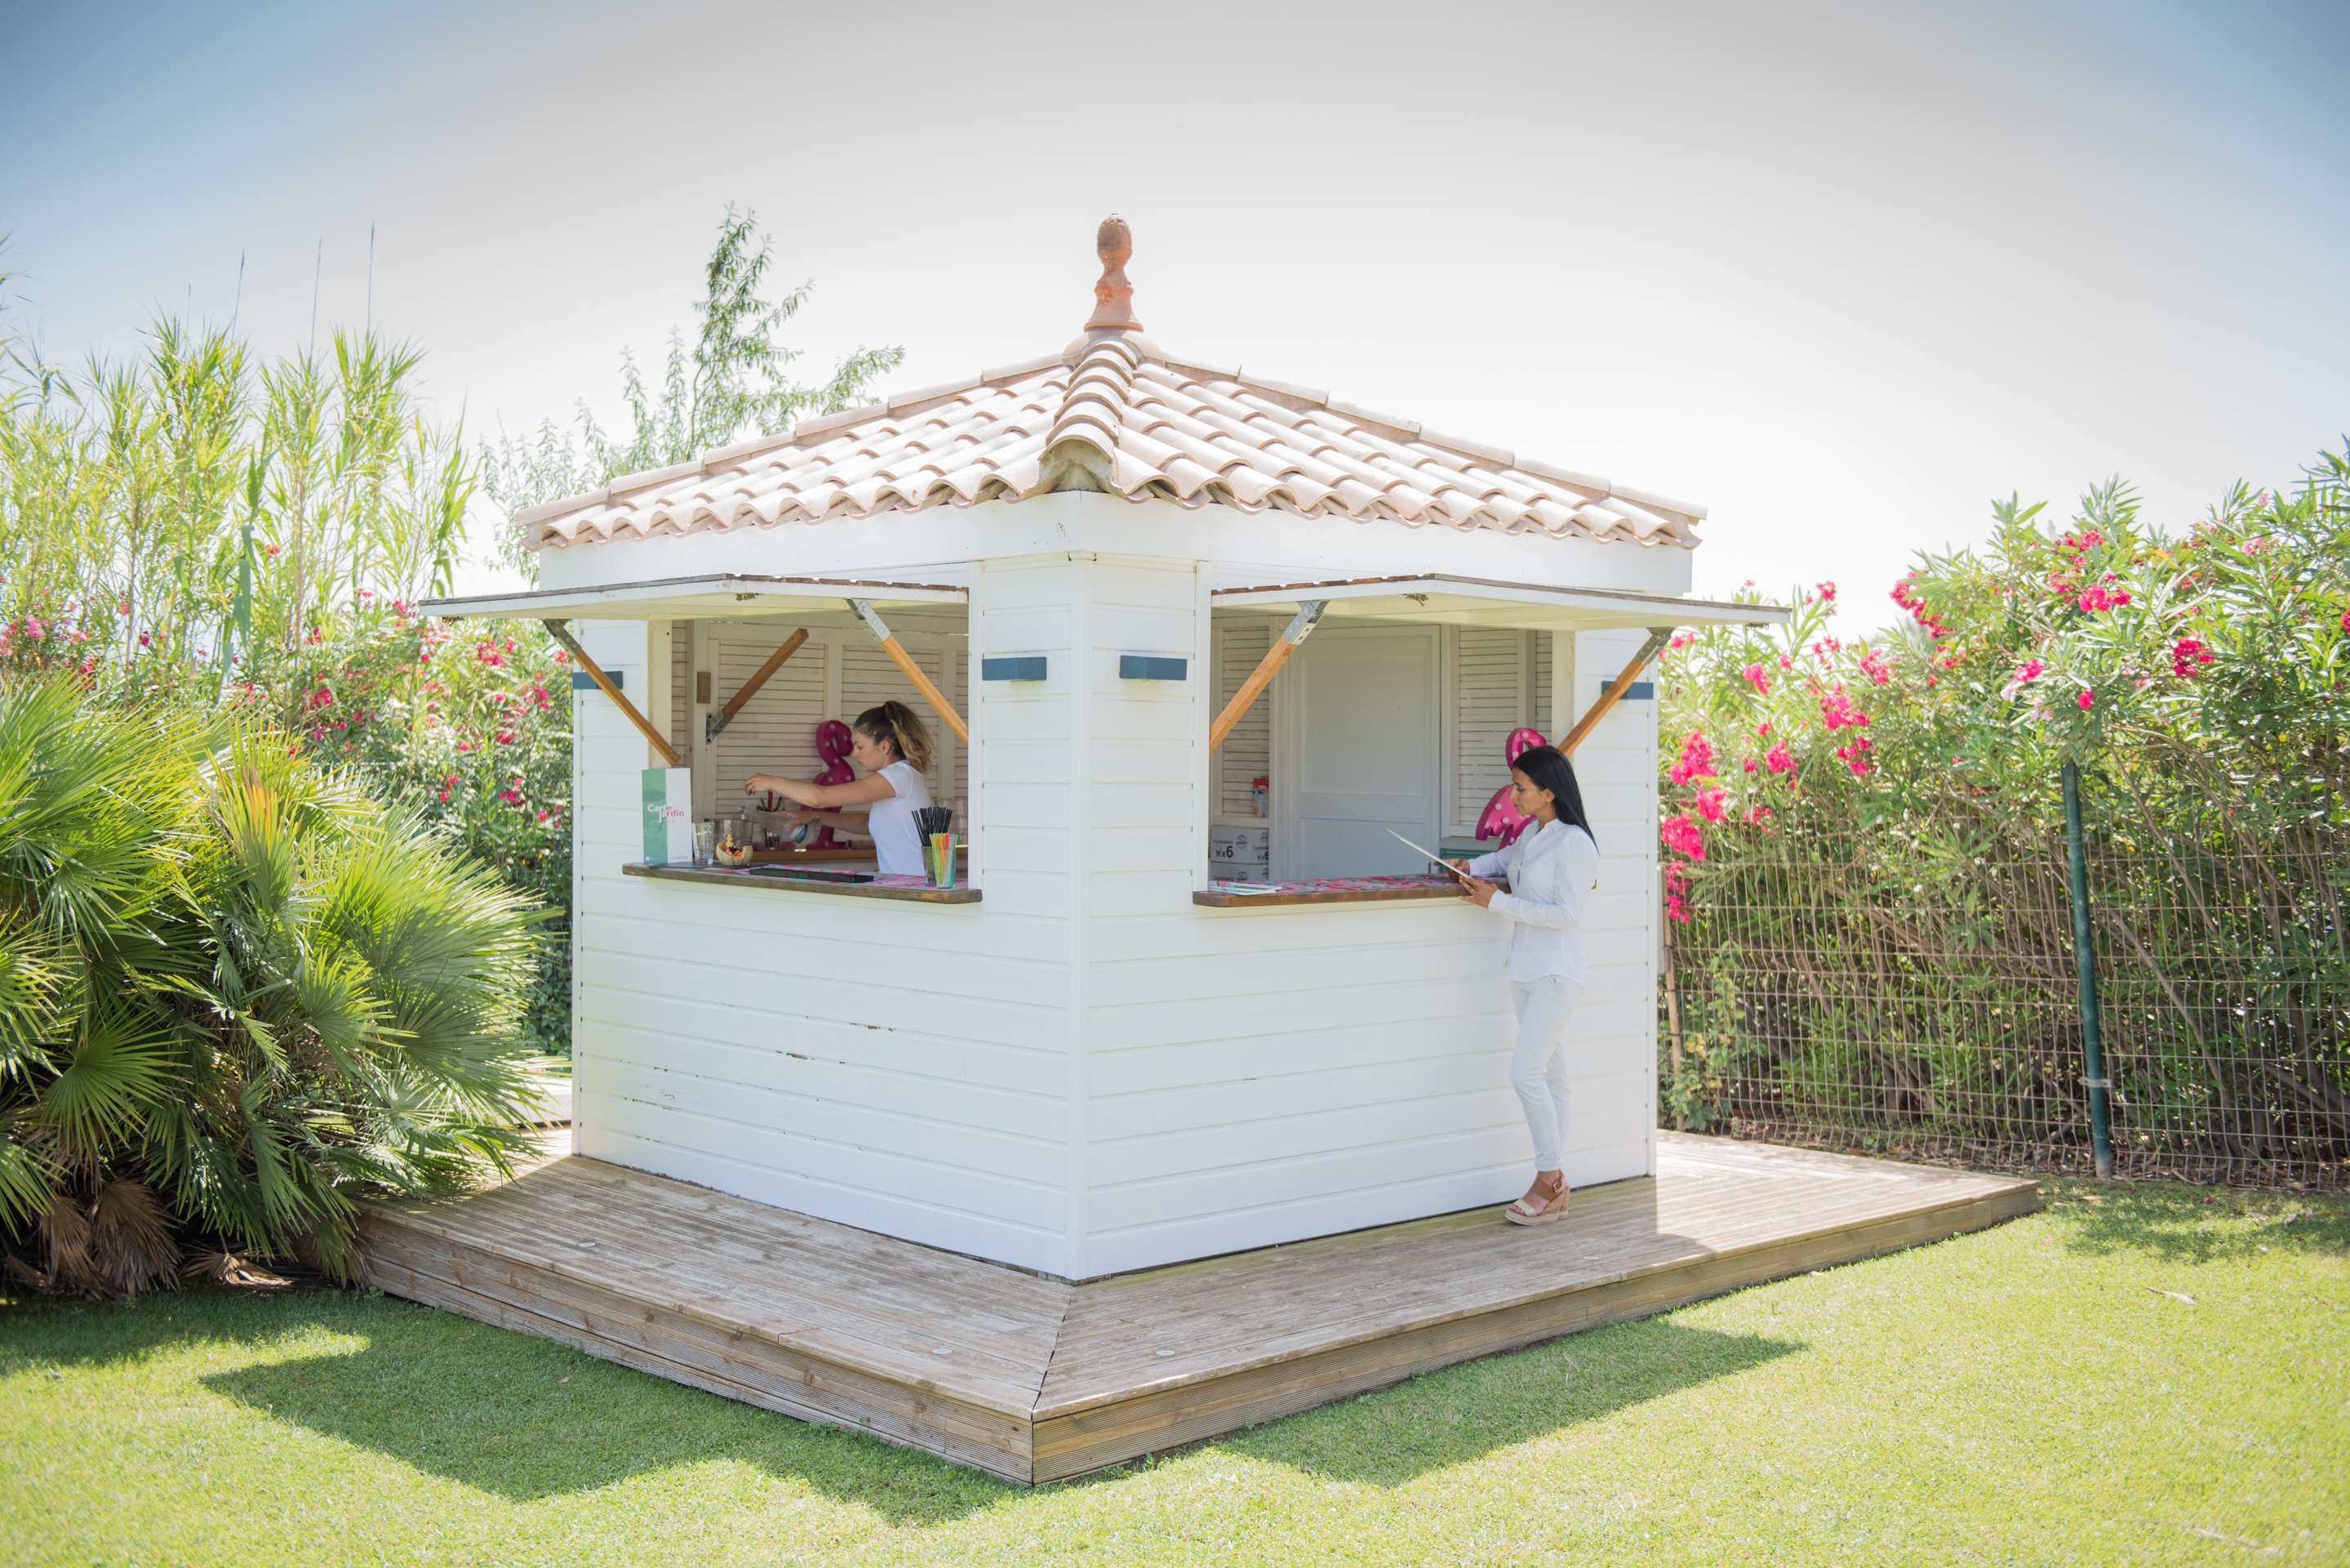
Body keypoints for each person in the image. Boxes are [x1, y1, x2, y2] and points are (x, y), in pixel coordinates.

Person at [1446, 744, 1601, 1225]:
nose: (1513, 796)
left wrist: (1498, 904)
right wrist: (1472, 868)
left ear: (1549, 792)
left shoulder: (1575, 843)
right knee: (1551, 1074)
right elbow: (1506, 860)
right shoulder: (1534, 833)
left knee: (1525, 1073)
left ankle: (1549, 1179)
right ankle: (1555, 1182)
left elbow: (1566, 915)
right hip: (1525, 970)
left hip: (1556, 973)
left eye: (1521, 788)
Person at [744, 701, 935, 877]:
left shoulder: (898, 776)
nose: (854, 753)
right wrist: (816, 817)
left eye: (860, 747)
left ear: (884, 747)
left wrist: (772, 781)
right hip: (908, 883)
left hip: (917, 884)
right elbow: (868, 823)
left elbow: (819, 797)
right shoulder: (901, 777)